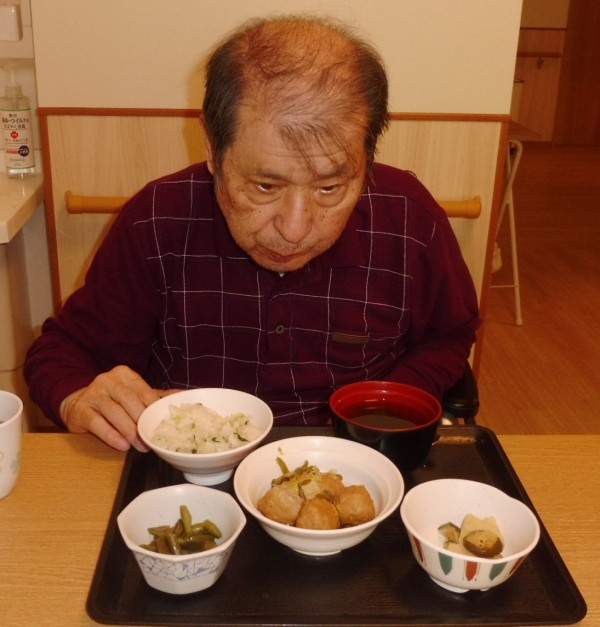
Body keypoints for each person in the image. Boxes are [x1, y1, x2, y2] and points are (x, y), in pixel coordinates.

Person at [24, 15, 479, 452]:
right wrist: (79, 397)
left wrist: (384, 408)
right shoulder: (157, 220)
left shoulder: (408, 219)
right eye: (265, 186)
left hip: (354, 460)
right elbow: (63, 352)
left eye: (329, 188)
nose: (295, 229)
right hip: (194, 476)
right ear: (212, 147)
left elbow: (449, 337)